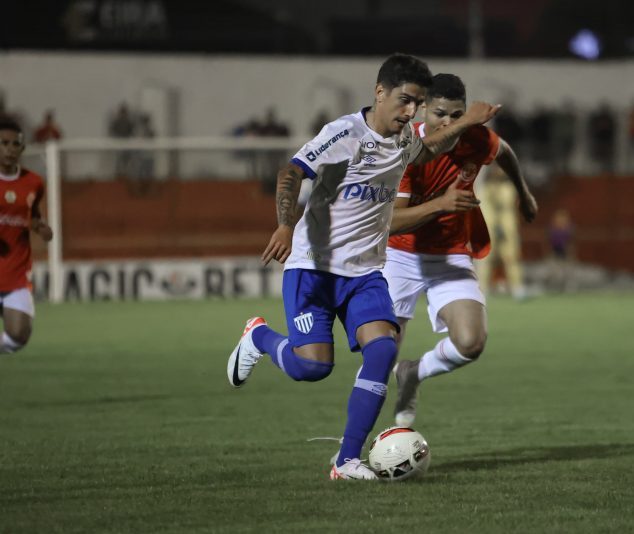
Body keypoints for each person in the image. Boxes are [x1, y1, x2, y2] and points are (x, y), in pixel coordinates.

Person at [225, 54, 500, 481]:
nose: (411, 112)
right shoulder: (344, 134)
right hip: (314, 267)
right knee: (312, 367)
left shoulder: (404, 138)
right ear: (379, 92)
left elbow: (425, 152)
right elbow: (291, 172)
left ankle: (346, 460)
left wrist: (466, 124)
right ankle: (258, 336)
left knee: (383, 350)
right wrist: (284, 225)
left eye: (417, 103)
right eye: (405, 101)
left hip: (365, 273)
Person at [383, 73, 537, 428]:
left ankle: (413, 374)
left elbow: (505, 151)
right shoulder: (404, 148)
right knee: (380, 356)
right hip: (398, 255)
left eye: (457, 115)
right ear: (422, 111)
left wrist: (524, 195)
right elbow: (391, 223)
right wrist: (441, 204)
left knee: (471, 342)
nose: (450, 124)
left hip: (449, 254)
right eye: (440, 115)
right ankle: (352, 453)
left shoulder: (476, 139)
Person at [0, 120, 53, 355]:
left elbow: (31, 215)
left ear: (22, 148)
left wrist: (39, 227)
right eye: (4, 143)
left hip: (16, 274)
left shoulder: (33, 183)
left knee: (19, 335)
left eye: (15, 144)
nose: (10, 149)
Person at [476, 162, 532, 300]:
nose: (498, 172)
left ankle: (517, 288)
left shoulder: (508, 187)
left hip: (507, 228)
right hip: (490, 227)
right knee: (486, 258)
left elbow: (507, 207)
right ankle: (482, 289)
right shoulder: (484, 188)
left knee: (511, 257)